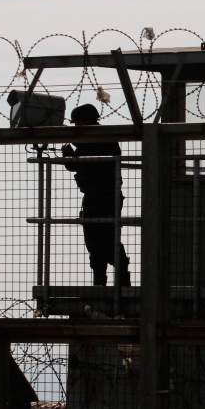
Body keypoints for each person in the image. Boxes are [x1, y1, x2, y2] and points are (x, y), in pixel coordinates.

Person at [61, 104, 131, 287]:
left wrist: (69, 152)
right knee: (97, 242)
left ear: (87, 121)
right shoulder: (100, 138)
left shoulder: (100, 137)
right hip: (100, 197)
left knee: (103, 241)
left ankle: (111, 282)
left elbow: (82, 162)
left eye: (78, 123)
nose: (76, 127)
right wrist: (70, 154)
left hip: (102, 198)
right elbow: (80, 163)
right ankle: (110, 283)